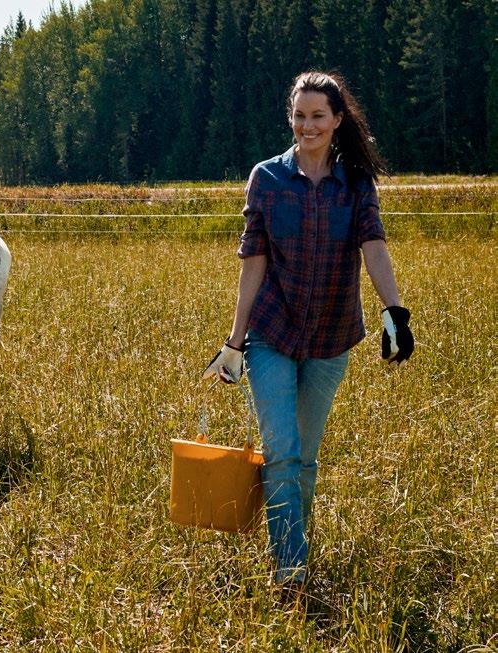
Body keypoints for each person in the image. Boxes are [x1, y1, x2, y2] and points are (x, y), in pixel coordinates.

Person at [202, 71, 415, 591]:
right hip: (272, 333)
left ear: (338, 120)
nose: (308, 125)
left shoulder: (356, 183)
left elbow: (374, 247)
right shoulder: (266, 179)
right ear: (290, 118)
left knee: (306, 456)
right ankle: (291, 570)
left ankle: (294, 543)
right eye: (299, 115)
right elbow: (252, 261)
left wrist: (395, 312)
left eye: (318, 115)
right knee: (281, 450)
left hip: (331, 338)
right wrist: (234, 341)